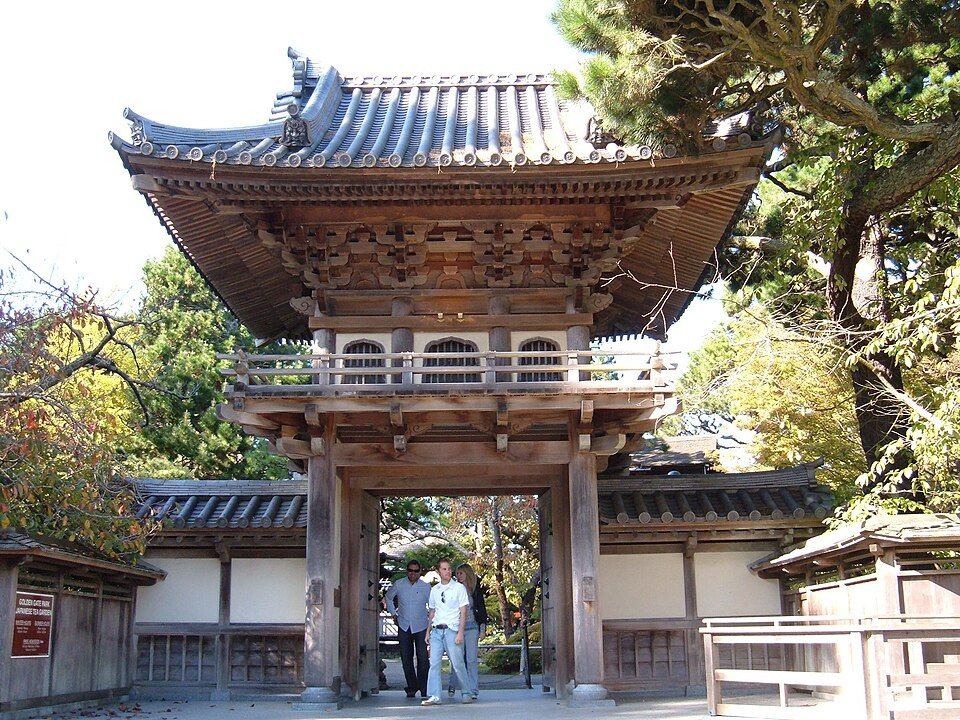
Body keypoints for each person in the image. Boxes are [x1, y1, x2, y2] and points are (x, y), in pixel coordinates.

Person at [421, 559, 472, 706]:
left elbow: (463, 611)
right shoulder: (435, 590)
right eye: (444, 569)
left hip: (452, 629)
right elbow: (432, 611)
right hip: (437, 630)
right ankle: (434, 695)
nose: (448, 572)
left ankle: (466, 692)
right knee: (434, 663)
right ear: (439, 571)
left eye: (449, 569)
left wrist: (460, 632)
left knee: (457, 663)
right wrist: (428, 631)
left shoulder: (458, 588)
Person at [383, 559, 431, 698]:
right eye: (410, 570)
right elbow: (388, 597)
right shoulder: (399, 584)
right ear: (407, 571)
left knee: (423, 658)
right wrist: (393, 614)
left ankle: (423, 687)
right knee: (406, 658)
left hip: (421, 625)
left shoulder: (425, 587)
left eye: (416, 571)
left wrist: (431, 622)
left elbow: (433, 605)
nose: (413, 573)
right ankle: (411, 685)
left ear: (420, 572)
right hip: (404, 625)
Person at [448, 563, 488, 700]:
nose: (458, 576)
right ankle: (453, 684)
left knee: (471, 659)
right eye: (457, 573)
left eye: (461, 573)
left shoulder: (475, 590)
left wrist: (482, 628)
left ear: (467, 574)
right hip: (457, 627)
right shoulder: (453, 589)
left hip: (472, 627)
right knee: (457, 659)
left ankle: (473, 689)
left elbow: (481, 609)